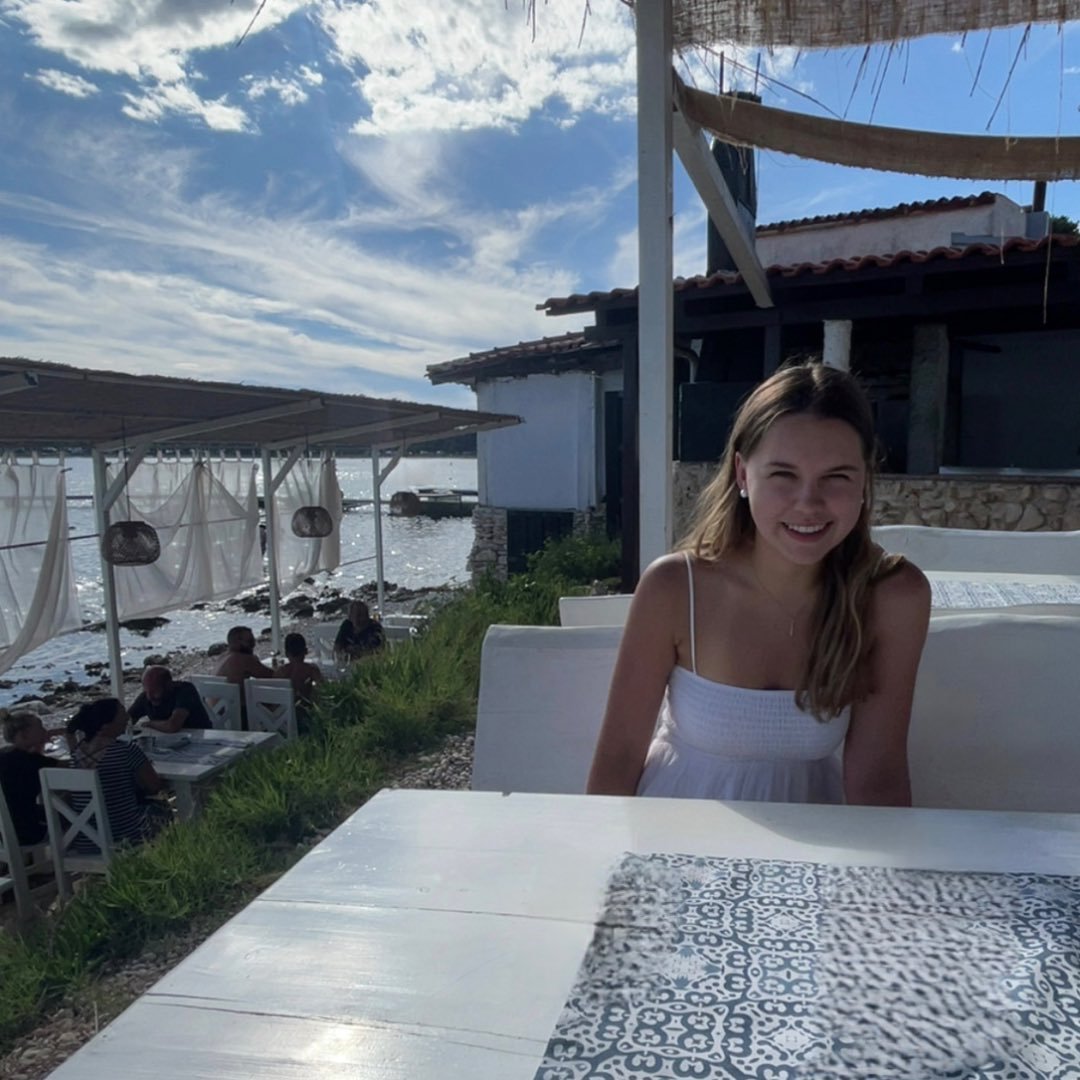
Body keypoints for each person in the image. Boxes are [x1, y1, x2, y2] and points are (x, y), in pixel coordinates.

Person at [587, 361, 931, 807]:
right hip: (675, 831)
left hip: (816, 840)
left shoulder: (891, 596)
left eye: (836, 477)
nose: (808, 504)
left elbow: (878, 777)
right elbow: (618, 759)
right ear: (742, 474)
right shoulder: (674, 587)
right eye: (783, 475)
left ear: (865, 480)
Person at [66, 698, 169, 848]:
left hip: (87, 841)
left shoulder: (76, 754)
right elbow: (154, 786)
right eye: (121, 715)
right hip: (125, 837)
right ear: (105, 725)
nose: (127, 718)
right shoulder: (126, 750)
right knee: (164, 809)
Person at [0, 709, 66, 846]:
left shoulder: (5, 755)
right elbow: (74, 769)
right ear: (23, 734)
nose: (45, 731)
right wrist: (70, 739)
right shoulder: (32, 761)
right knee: (72, 806)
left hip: (3, 832)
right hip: (26, 832)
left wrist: (38, 743)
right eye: (40, 728)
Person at [128, 666, 212, 733]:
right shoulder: (146, 697)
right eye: (146, 690)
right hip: (167, 741)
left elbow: (173, 726)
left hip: (201, 738)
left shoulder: (185, 690)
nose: (150, 696)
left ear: (168, 685)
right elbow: (126, 721)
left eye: (155, 691)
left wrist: (149, 724)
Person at [275, 632, 322, 709]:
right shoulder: (312, 670)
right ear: (306, 651)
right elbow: (322, 691)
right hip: (306, 712)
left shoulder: (280, 672)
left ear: (286, 653)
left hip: (283, 713)